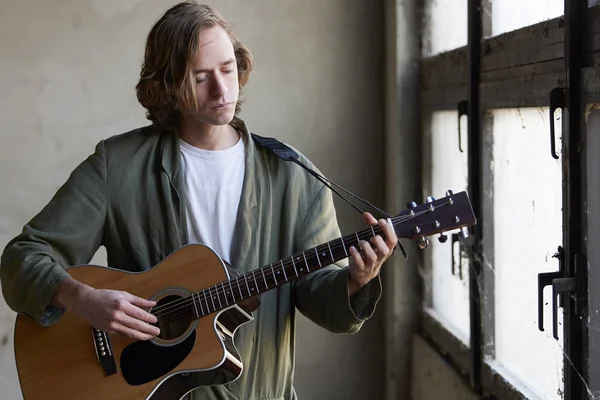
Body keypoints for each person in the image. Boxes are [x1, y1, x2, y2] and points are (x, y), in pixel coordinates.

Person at [0, 1, 397, 399]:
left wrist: (356, 281)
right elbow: (21, 257)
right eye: (201, 76)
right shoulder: (117, 167)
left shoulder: (292, 174)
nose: (222, 89)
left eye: (227, 69)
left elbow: (321, 297)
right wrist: (83, 298)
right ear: (169, 84)